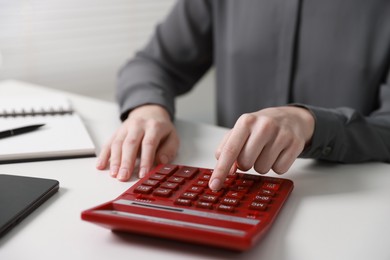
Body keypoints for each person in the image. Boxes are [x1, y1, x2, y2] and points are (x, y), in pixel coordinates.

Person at [96, 0, 390, 191]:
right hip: (232, 191)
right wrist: (148, 109)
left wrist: (310, 123)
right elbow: (153, 63)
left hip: (353, 200)